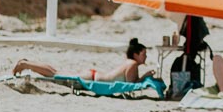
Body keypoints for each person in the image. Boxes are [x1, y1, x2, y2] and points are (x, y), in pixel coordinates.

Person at [12, 38, 151, 82]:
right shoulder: (133, 64)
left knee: (57, 72)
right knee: (56, 75)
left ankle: (27, 63)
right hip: (91, 78)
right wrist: (146, 76)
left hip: (92, 75)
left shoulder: (129, 62)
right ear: (136, 55)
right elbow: (131, 84)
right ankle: (25, 64)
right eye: (144, 54)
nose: (145, 57)